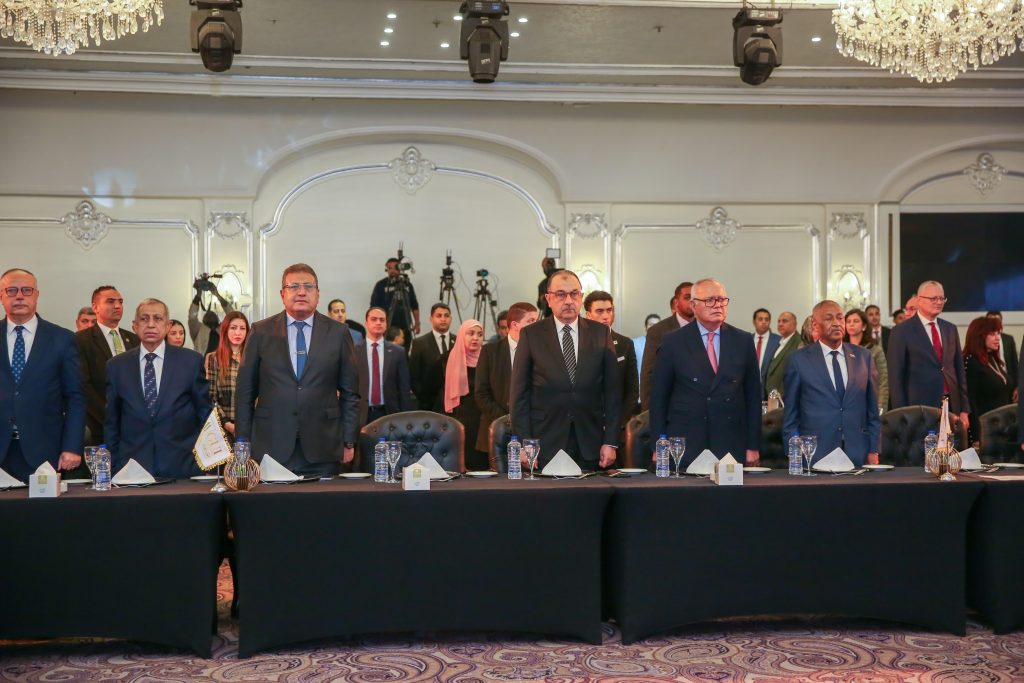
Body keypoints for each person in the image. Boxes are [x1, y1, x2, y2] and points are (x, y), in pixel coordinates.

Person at [235, 263, 359, 477]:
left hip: (324, 445)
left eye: (308, 286)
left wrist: (349, 440)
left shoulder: (338, 333)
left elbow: (351, 393)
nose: (301, 292)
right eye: (294, 286)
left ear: (318, 294)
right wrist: (242, 443)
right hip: (270, 444)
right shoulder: (260, 332)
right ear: (282, 294)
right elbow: (245, 393)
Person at [510, 270, 621, 471]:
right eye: (561, 294)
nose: (569, 301)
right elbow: (519, 395)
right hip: (545, 442)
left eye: (574, 294)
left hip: (591, 442)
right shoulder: (531, 335)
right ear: (548, 299)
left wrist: (611, 441)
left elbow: (612, 392)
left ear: (581, 296)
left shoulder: (600, 333)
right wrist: (524, 443)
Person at [649, 278, 761, 468]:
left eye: (722, 300)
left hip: (730, 440)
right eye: (710, 300)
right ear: (693, 305)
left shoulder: (742, 340)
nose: (717, 305)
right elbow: (659, 398)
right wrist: (658, 445)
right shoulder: (673, 342)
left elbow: (753, 397)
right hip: (686, 441)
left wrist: (753, 445)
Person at [104, 299, 212, 479]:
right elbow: (112, 422)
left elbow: (205, 414)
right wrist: (113, 465)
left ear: (168, 326)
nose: (151, 324)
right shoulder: (117, 366)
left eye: (158, 318)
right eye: (144, 319)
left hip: (182, 467)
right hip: (131, 469)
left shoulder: (191, 361)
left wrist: (207, 462)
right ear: (134, 326)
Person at [0, 268, 85, 481]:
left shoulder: (62, 339)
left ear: (37, 295)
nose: (20, 296)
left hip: (45, 451)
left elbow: (75, 397)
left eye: (26, 290)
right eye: (12, 290)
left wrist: (72, 446)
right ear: (1, 296)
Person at [783, 300, 881, 468]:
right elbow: (791, 415)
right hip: (815, 454)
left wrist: (874, 449)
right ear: (815, 324)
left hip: (858, 452)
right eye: (829, 318)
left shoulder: (863, 357)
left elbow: (873, 410)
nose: (836, 323)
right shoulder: (798, 360)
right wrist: (793, 453)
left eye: (840, 318)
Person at [887, 280, 969, 426]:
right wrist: (901, 414)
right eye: (933, 298)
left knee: (949, 441)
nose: (939, 302)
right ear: (919, 300)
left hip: (951, 404)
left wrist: (964, 409)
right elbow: (896, 378)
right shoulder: (901, 331)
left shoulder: (950, 329)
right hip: (918, 408)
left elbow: (959, 370)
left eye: (942, 298)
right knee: (925, 441)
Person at [76, 285, 139, 446]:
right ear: (95, 307)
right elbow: (83, 385)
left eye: (120, 302)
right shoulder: (81, 340)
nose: (117, 306)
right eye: (110, 302)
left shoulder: (134, 340)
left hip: (133, 426)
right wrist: (111, 415)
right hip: (98, 426)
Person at [474, 302, 538, 455]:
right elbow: (481, 393)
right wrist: (506, 418)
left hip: (531, 429)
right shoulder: (490, 351)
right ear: (515, 325)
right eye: (531, 321)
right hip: (496, 429)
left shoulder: (540, 350)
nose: (536, 326)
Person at [583, 291, 639, 428]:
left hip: (616, 423)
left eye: (609, 310)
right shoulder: (578, 342)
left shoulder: (625, 344)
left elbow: (632, 390)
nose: (606, 316)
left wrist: (618, 422)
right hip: (584, 423)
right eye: (599, 311)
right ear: (588, 314)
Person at [354, 307, 412, 429]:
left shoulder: (398, 352)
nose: (378, 323)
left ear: (386, 324)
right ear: (366, 323)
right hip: (361, 415)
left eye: (382, 320)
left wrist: (405, 419)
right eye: (374, 319)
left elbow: (404, 388)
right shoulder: (354, 351)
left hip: (390, 414)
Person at [640, 281, 694, 410]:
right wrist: (648, 410)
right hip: (670, 404)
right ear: (676, 302)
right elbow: (649, 373)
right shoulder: (659, 331)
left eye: (695, 298)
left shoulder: (705, 328)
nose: (692, 301)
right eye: (687, 297)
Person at [443, 319, 488, 470]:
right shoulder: (450, 358)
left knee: (482, 466)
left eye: (480, 334)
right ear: (462, 335)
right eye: (471, 333)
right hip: (460, 417)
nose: (476, 338)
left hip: (484, 419)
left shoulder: (487, 359)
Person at [963, 316, 1015, 446]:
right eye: (992, 334)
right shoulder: (971, 361)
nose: (998, 338)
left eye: (998, 333)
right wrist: (976, 437)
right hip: (986, 430)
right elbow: (970, 401)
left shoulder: (992, 358)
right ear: (979, 336)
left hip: (1004, 427)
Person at [205, 311, 249, 441]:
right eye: (233, 328)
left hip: (251, 426)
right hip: (223, 428)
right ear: (225, 330)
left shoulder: (253, 358)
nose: (238, 333)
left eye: (242, 328)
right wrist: (225, 422)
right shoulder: (214, 359)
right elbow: (210, 396)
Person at [408, 303, 455, 410]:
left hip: (456, 404)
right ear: (431, 318)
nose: (443, 319)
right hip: (429, 405)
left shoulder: (458, 342)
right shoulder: (419, 343)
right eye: (439, 316)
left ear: (450, 318)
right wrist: (425, 399)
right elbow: (413, 377)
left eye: (446, 316)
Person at [844, 308, 889, 411]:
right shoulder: (840, 349)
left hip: (869, 403)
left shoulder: (875, 350)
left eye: (855, 321)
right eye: (848, 321)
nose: (851, 324)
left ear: (864, 326)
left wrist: (881, 406)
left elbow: (883, 381)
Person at [369, 257, 420, 344]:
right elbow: (374, 307)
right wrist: (375, 324)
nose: (392, 271)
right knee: (388, 348)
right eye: (389, 268)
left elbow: (414, 305)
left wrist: (417, 323)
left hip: (405, 323)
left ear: (400, 268)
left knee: (407, 346)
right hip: (387, 324)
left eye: (395, 267)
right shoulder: (381, 285)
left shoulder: (407, 285)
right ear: (387, 269)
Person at [188, 275, 235, 357]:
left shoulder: (223, 329)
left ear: (217, 318)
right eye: (207, 315)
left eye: (212, 314)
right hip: (202, 364)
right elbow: (192, 316)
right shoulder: (198, 329)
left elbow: (232, 316)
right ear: (203, 320)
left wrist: (217, 295)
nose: (209, 313)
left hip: (222, 362)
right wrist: (198, 295)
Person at [764, 311, 801, 400]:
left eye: (784, 321)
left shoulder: (799, 342)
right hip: (772, 398)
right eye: (779, 321)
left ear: (794, 324)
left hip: (786, 398)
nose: (780, 324)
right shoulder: (779, 342)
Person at [986, 311, 1019, 400]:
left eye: (997, 321)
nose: (997, 337)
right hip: (993, 389)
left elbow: (1015, 365)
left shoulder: (1009, 339)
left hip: (1009, 384)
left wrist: (1017, 386)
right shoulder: (978, 357)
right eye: (991, 322)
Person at [752, 307, 781, 386]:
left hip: (769, 387)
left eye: (766, 319)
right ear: (754, 322)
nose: (764, 322)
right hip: (749, 385)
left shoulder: (778, 341)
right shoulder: (747, 340)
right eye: (760, 319)